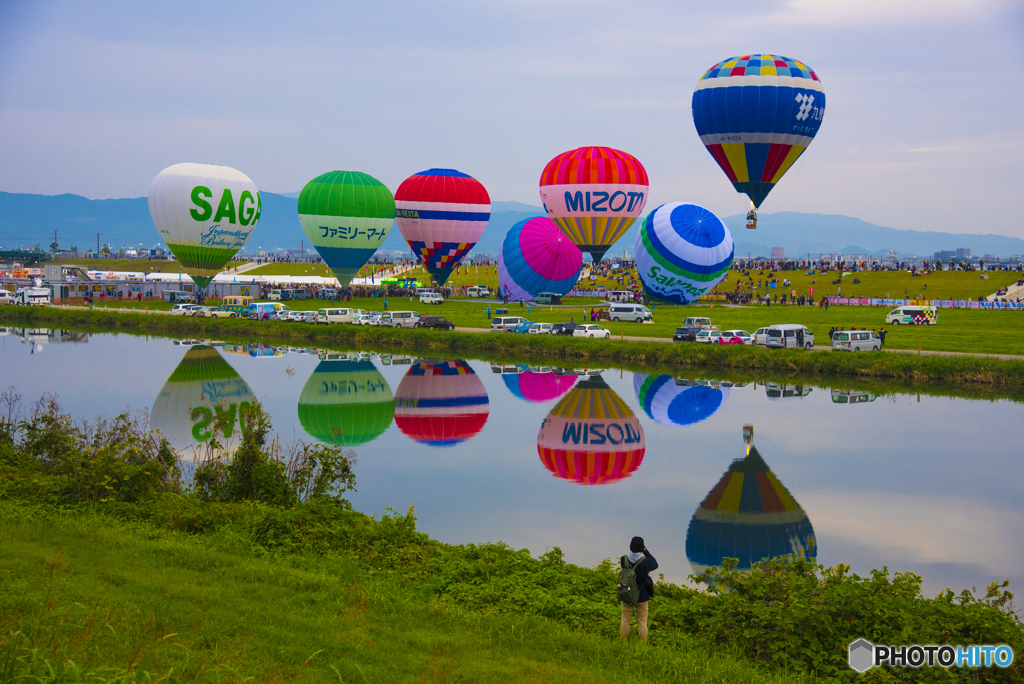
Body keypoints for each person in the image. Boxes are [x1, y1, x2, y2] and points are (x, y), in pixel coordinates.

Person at [620, 536, 658, 643]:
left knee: (625, 622)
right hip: (642, 596)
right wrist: (646, 551)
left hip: (627, 594)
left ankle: (623, 643)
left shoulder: (624, 559)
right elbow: (655, 564)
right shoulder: (646, 562)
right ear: (642, 547)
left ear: (630, 546)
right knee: (642, 623)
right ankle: (642, 646)